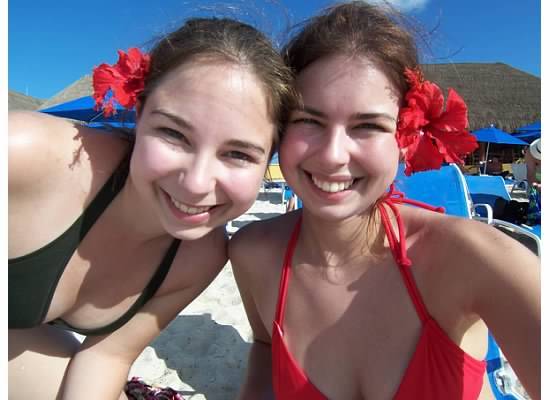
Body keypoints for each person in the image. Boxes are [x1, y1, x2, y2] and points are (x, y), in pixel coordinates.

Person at [229, 2, 540, 400]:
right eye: (309, 120)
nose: (332, 155)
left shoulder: (476, 260)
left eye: (368, 126)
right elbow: (265, 346)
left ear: (406, 136)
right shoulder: (252, 254)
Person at [8, 17, 296, 399]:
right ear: (140, 113)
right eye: (174, 134)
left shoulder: (200, 255)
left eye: (238, 153)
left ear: (268, 160)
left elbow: (105, 358)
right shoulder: (26, 156)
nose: (196, 183)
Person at [525, 138, 541, 225]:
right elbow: (530, 174)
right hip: (537, 181)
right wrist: (535, 185)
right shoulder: (529, 153)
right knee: (533, 192)